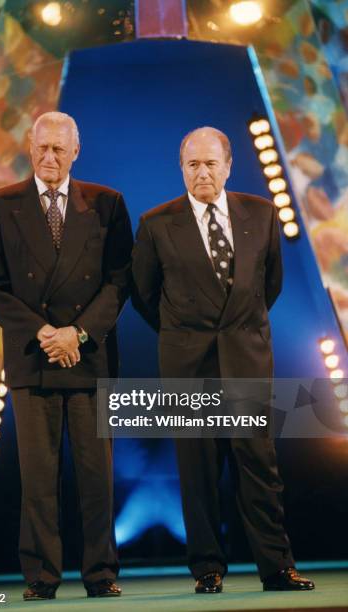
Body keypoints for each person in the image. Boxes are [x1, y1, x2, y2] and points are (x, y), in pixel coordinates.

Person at [131, 126, 314, 594]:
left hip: (247, 360)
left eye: (211, 163)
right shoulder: (156, 223)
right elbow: (145, 295)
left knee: (259, 466)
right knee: (197, 471)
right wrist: (186, 335)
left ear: (228, 166)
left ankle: (277, 567)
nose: (202, 172)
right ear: (182, 168)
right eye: (193, 164)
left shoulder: (263, 214)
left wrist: (238, 332)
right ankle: (207, 569)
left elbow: (268, 285)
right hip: (187, 365)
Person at [0, 111, 133, 600]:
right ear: (30, 146)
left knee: (96, 477)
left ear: (75, 152)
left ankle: (101, 573)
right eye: (42, 148)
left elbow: (119, 280)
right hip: (33, 357)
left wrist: (79, 334)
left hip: (88, 358)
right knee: (38, 479)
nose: (49, 157)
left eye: (59, 150)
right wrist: (47, 332)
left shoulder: (107, 205)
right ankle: (42, 577)